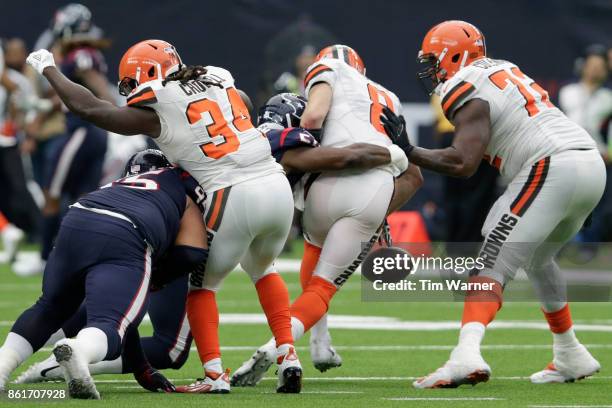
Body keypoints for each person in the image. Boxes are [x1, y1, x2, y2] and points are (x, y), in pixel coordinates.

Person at [18, 91, 413, 385]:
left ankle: (73, 351)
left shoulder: (222, 133)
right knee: (233, 291)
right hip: (191, 228)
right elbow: (329, 158)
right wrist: (392, 154)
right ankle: (275, 358)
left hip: (163, 223)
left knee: (119, 310)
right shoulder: (276, 140)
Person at [26, 39, 303, 394]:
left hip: (231, 191)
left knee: (200, 287)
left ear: (149, 73)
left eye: (130, 81)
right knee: (264, 270)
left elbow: (95, 110)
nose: (127, 90)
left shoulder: (160, 106)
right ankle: (289, 355)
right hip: (275, 184)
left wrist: (49, 68)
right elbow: (244, 105)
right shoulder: (217, 76)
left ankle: (215, 375)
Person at [382, 20, 604, 388]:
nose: (433, 71)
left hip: (554, 164)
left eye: (436, 61)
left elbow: (462, 162)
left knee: (489, 259)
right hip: (588, 165)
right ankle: (570, 352)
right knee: (538, 257)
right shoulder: (502, 68)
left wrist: (408, 150)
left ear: (456, 55)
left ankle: (465, 354)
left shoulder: (463, 84)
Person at [232, 45, 424, 386]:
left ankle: (319, 345)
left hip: (322, 185)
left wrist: (311, 152)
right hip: (372, 187)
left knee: (313, 248)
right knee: (322, 287)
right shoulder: (388, 97)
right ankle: (280, 345)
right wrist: (379, 215)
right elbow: (413, 175)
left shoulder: (324, 73)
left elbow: (312, 119)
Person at [0, 150, 208, 399]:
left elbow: (125, 313)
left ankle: (2, 367)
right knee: (109, 323)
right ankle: (80, 350)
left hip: (77, 219)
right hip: (126, 232)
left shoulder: (118, 184)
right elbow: (193, 252)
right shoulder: (179, 186)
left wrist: (142, 369)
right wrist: (159, 276)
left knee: (49, 308)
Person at [14, 3, 112, 276]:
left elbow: (100, 91)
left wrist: (115, 109)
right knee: (84, 199)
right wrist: (47, 108)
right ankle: (86, 258)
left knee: (51, 193)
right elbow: (74, 93)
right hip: (89, 131)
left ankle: (46, 258)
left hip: (81, 131)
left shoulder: (81, 55)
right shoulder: (84, 52)